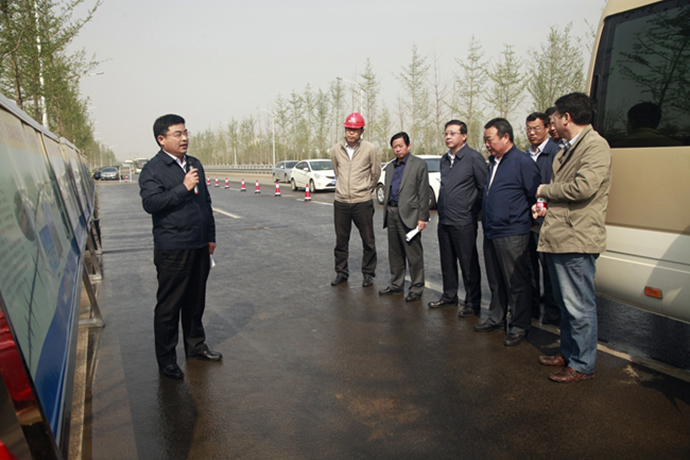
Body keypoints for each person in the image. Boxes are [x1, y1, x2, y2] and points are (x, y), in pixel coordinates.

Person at [534, 92, 612, 383]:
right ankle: (568, 352)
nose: (551, 121)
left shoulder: (595, 146)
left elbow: (583, 188)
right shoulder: (568, 148)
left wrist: (545, 191)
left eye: (553, 116)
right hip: (560, 235)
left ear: (566, 117)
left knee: (579, 305)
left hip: (576, 238)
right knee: (566, 304)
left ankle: (582, 364)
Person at [139, 114, 222, 380]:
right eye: (177, 134)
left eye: (185, 132)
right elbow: (151, 203)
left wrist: (210, 235)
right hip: (173, 247)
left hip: (199, 244)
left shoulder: (194, 163)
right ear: (161, 139)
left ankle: (196, 347)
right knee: (169, 307)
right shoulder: (153, 169)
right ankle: (166, 360)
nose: (184, 138)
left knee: (195, 302)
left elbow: (205, 202)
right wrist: (183, 188)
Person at [474, 118, 540, 347]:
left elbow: (535, 195)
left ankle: (520, 324)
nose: (487, 145)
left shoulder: (522, 162)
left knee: (516, 282)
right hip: (492, 230)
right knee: (495, 279)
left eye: (489, 140)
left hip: (513, 231)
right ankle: (496, 317)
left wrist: (522, 220)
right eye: (484, 141)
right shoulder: (493, 162)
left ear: (505, 137)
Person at [428, 120, 487, 317]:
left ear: (464, 136)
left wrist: (471, 210)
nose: (448, 137)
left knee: (468, 262)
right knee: (447, 261)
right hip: (444, 219)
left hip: (464, 221)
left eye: (453, 133)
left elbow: (483, 189)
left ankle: (472, 302)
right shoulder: (445, 160)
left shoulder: (473, 158)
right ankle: (449, 296)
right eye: (446, 133)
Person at [330, 112, 381, 287]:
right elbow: (337, 171)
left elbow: (375, 173)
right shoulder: (337, 149)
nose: (351, 133)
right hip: (342, 202)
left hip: (362, 202)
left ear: (361, 131)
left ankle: (368, 273)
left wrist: (366, 189)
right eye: (348, 129)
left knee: (368, 240)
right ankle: (341, 273)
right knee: (341, 241)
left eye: (355, 130)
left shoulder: (370, 149)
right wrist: (344, 188)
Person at [378, 132, 430, 302]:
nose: (397, 149)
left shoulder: (419, 164)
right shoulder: (391, 166)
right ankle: (396, 284)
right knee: (395, 252)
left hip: (410, 215)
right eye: (394, 146)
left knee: (413, 254)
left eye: (400, 146)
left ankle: (416, 287)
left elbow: (423, 193)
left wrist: (423, 217)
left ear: (408, 146)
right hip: (391, 212)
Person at [525, 112, 561, 325]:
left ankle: (552, 311)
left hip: (548, 221)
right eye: (528, 129)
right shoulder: (524, 155)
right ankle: (531, 308)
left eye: (536, 128)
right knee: (528, 267)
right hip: (527, 221)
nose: (532, 133)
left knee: (550, 269)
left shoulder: (557, 153)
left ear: (548, 127)